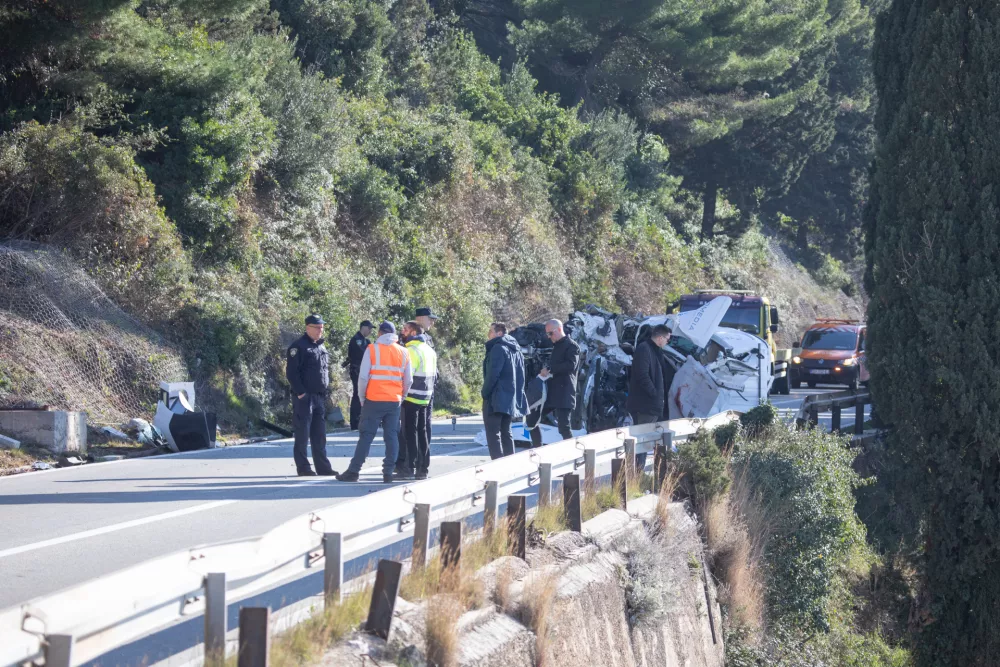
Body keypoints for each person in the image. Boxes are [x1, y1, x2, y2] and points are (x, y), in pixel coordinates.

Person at [337, 321, 413, 483]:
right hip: (394, 401)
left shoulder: (372, 349)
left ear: (380, 333)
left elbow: (363, 377)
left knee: (366, 436)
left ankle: (354, 471)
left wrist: (362, 397)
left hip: (373, 400)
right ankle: (388, 472)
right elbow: (408, 380)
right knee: (392, 436)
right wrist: (402, 396)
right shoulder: (404, 352)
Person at [286, 314, 336, 477]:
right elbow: (292, 373)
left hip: (319, 397)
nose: (320, 330)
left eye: (322, 327)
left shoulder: (321, 347)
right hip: (305, 398)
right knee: (302, 434)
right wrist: (301, 393)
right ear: (308, 327)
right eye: (317, 327)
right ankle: (304, 468)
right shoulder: (298, 347)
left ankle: (323, 467)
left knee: (319, 434)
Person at [529, 319, 580, 448]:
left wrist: (550, 370)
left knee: (564, 426)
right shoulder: (556, 346)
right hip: (552, 391)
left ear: (558, 329)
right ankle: (537, 449)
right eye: (547, 334)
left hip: (565, 391)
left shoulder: (572, 346)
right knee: (532, 417)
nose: (549, 337)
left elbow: (571, 365)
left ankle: (572, 453)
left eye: (550, 333)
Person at [396, 321, 438, 479]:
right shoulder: (429, 350)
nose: (402, 332)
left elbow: (406, 376)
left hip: (411, 396)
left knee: (409, 433)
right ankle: (423, 469)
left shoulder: (411, 350)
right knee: (423, 432)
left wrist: (402, 396)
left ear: (413, 332)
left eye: (405, 329)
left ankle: (408, 467)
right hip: (426, 397)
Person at [628, 324, 671, 471]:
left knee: (645, 440)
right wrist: (654, 393)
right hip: (644, 404)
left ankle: (637, 474)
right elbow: (642, 375)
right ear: (660, 338)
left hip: (650, 404)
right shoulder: (645, 349)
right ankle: (637, 474)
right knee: (642, 440)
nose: (667, 342)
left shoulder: (654, 350)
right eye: (667, 339)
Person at [482, 322, 527, 459]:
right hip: (510, 398)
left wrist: (485, 393)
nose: (488, 335)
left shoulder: (498, 348)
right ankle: (510, 463)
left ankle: (497, 466)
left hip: (496, 398)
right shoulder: (516, 350)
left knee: (493, 434)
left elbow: (492, 375)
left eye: (491, 331)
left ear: (499, 333)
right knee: (507, 432)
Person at [414, 307, 439, 446]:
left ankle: (423, 457)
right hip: (414, 389)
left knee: (426, 424)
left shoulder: (428, 338)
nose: (432, 323)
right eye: (430, 319)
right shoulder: (408, 335)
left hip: (428, 388)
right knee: (413, 426)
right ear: (421, 318)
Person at [344, 320, 373, 430]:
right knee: (357, 395)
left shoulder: (366, 341)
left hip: (365, 372)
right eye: (369, 328)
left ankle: (363, 419)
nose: (370, 331)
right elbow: (364, 353)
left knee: (365, 395)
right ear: (363, 327)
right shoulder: (356, 340)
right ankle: (355, 422)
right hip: (357, 371)